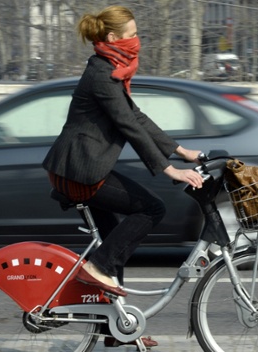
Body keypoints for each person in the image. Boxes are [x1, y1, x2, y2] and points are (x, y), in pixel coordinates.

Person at [42, 5, 204, 298]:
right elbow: (128, 124)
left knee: (113, 242)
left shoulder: (111, 69)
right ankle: (96, 269)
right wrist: (170, 169)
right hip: (79, 171)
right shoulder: (101, 75)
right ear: (115, 37)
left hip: (84, 167)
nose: (137, 40)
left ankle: (114, 327)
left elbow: (136, 116)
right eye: (132, 35)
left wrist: (181, 150)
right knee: (152, 209)